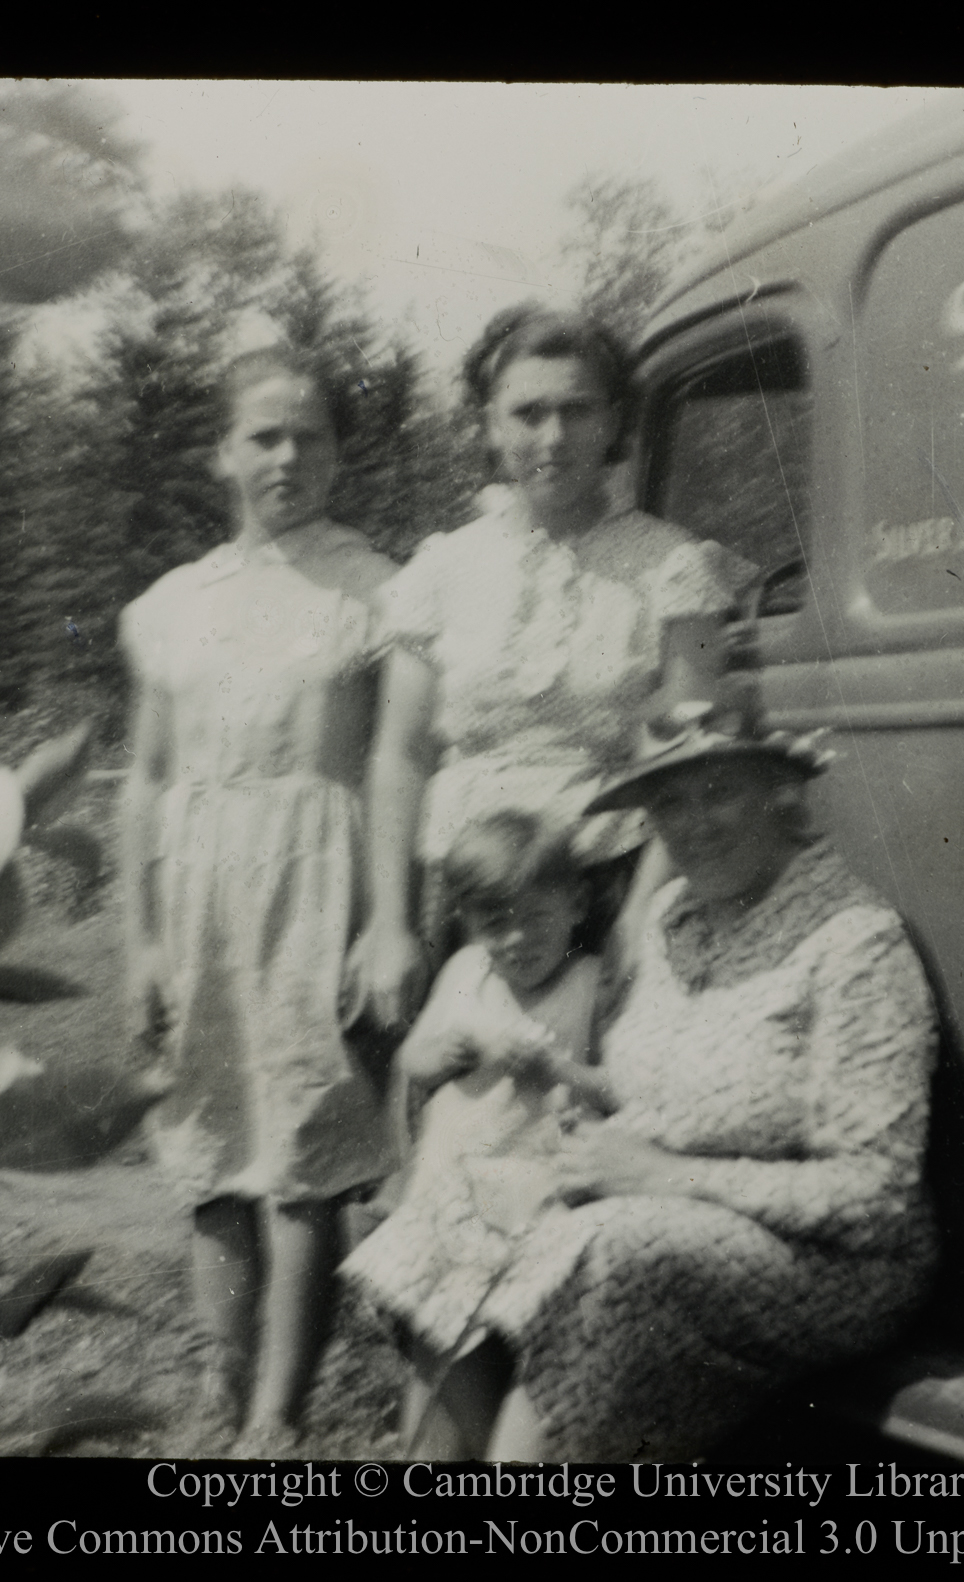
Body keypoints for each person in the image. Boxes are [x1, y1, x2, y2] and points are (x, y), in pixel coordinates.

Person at [434, 683, 941, 1462]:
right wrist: (581, 1098)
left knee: (605, 1249)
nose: (695, 823)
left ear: (781, 791)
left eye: (719, 792)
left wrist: (660, 1174)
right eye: (671, 803)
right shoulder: (677, 919)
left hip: (828, 1268)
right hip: (672, 1211)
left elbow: (874, 1197)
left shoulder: (853, 942)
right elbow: (658, 1093)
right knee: (446, 1227)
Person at [118, 342, 394, 1444]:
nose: (287, 456)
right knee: (210, 1148)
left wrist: (381, 921)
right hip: (195, 892)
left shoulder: (375, 589)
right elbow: (144, 778)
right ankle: (221, 1390)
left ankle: (277, 1420)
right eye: (264, 436)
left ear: (336, 451)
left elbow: (385, 763)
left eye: (310, 435)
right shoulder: (170, 605)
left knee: (300, 1159)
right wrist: (137, 943)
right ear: (221, 453)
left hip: (313, 882)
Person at [344, 303, 753, 1034]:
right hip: (465, 900)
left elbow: (687, 762)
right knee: (463, 1111)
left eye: (577, 410)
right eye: (527, 413)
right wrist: (390, 924)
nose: (554, 437)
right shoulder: (442, 570)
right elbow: (399, 756)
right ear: (489, 426)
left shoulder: (673, 567)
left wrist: (638, 918)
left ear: (614, 421)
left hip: (604, 887)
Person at [340, 811, 613, 1457]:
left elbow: (612, 1085)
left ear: (576, 904)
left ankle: (482, 1447)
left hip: (531, 1199)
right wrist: (452, 1049)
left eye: (536, 918)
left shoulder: (589, 981)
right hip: (447, 1194)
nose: (517, 939)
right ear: (467, 919)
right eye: (495, 923)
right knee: (440, 1342)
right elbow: (414, 1063)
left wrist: (557, 1068)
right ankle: (456, 1447)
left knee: (486, 1340)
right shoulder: (467, 972)